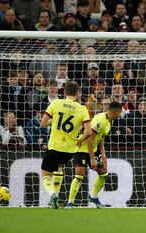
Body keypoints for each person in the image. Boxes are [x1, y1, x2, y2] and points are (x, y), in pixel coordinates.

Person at [39, 81, 91, 209]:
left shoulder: (56, 103)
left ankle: (52, 194)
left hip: (54, 147)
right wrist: (79, 140)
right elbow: (88, 131)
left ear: (63, 92)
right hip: (70, 151)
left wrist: (54, 120)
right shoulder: (82, 109)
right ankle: (55, 200)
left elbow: (43, 124)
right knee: (59, 168)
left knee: (45, 175)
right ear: (78, 93)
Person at [66, 102, 122, 208]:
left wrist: (103, 155)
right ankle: (70, 202)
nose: (120, 115)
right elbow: (89, 139)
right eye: (120, 113)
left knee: (103, 173)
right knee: (79, 174)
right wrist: (92, 159)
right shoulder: (100, 120)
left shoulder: (110, 122)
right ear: (115, 112)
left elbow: (101, 139)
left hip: (94, 149)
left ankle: (93, 196)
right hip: (82, 149)